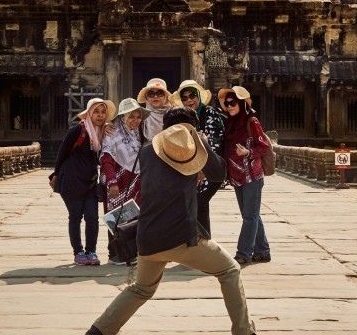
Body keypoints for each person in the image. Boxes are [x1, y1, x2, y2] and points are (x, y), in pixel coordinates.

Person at [85, 107, 257, 335]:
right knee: (230, 270)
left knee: (141, 289)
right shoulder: (192, 145)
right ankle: (245, 332)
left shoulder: (146, 151)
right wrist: (202, 142)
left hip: (147, 236)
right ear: (191, 130)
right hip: (180, 236)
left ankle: (98, 331)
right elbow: (218, 173)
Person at [52, 97, 116, 266]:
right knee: (75, 217)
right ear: (88, 113)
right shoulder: (78, 131)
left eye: (103, 112)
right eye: (96, 112)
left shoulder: (102, 133)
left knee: (92, 217)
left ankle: (91, 251)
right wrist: (55, 175)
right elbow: (62, 153)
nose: (100, 115)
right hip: (71, 180)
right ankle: (78, 252)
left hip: (89, 182)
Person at [218, 85, 271, 265]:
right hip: (236, 175)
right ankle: (263, 251)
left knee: (250, 216)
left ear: (242, 104)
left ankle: (244, 253)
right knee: (251, 215)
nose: (230, 106)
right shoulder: (230, 123)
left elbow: (264, 146)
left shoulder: (251, 122)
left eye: (233, 102)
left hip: (252, 175)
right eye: (227, 103)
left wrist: (248, 153)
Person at [171, 78, 226, 235]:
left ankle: (204, 242)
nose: (189, 100)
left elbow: (214, 146)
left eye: (192, 96)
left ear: (199, 97)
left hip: (211, 169)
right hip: (194, 170)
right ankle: (199, 242)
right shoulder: (187, 117)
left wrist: (202, 171)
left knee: (200, 203)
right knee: (196, 205)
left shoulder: (210, 114)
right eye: (184, 98)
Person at [100, 97, 150, 265]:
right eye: (131, 117)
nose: (135, 120)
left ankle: (131, 252)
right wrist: (112, 182)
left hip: (136, 180)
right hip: (118, 181)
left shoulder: (140, 132)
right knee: (116, 217)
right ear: (123, 117)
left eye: (137, 116)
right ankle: (115, 254)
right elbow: (106, 158)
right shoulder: (112, 134)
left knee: (134, 217)